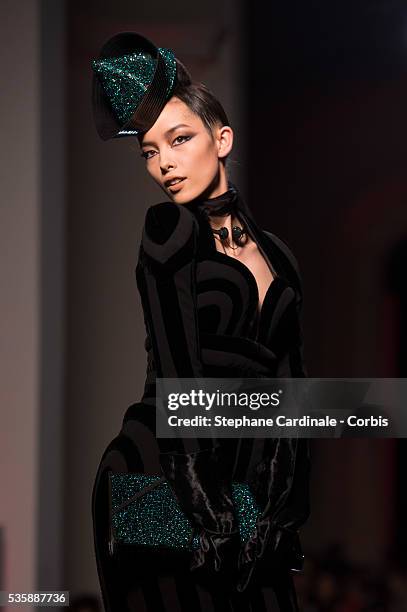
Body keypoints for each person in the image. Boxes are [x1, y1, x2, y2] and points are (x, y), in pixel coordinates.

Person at [91, 32, 310, 612]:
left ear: (222, 139)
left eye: (179, 139)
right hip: (163, 474)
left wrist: (284, 508)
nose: (163, 163)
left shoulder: (279, 255)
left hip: (244, 492)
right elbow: (175, 372)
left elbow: (291, 391)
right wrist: (206, 509)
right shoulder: (167, 231)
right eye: (148, 151)